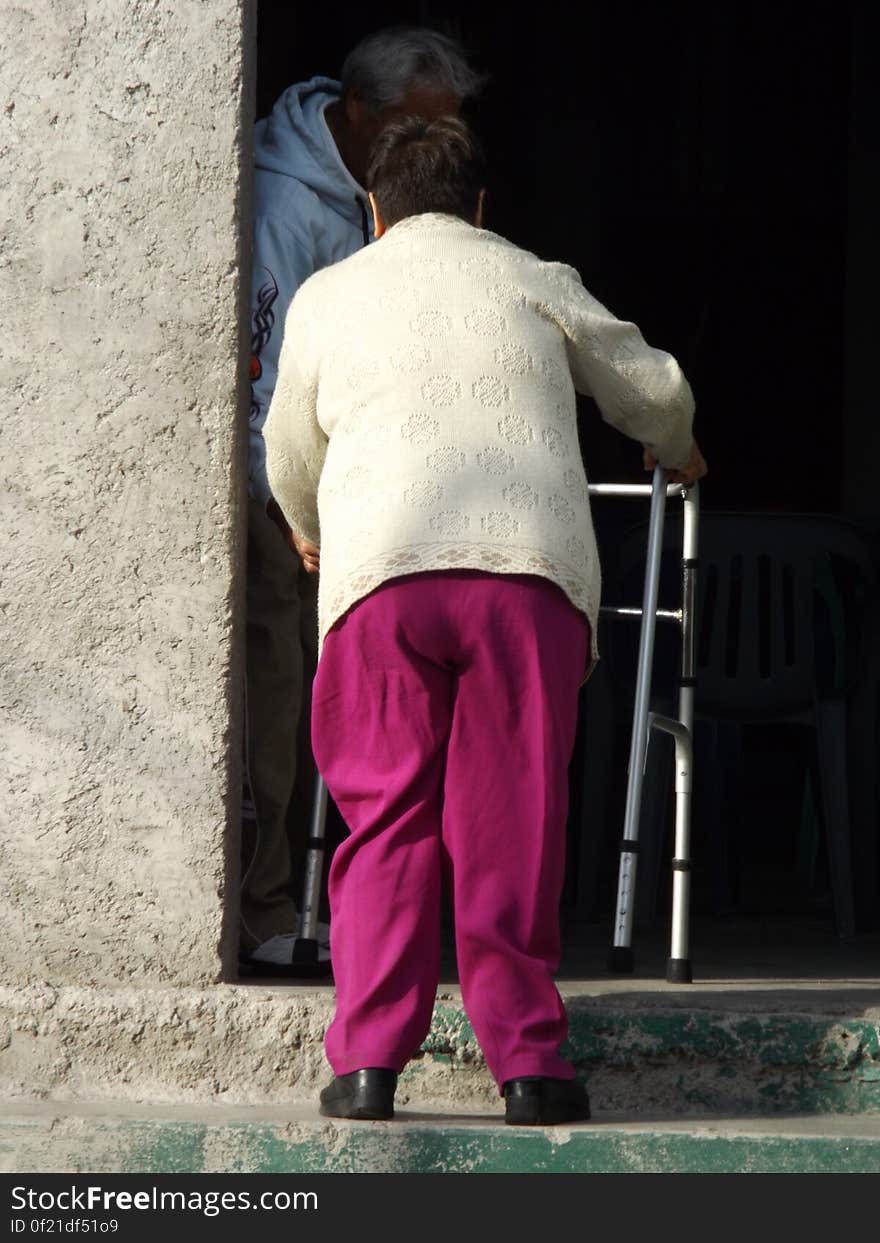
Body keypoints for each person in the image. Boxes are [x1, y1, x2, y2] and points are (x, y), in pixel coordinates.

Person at [263, 116, 707, 1122]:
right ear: (479, 205)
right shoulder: (532, 275)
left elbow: (290, 445)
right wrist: (677, 447)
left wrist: (308, 532)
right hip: (524, 577)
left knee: (384, 818)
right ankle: (529, 1067)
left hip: (382, 577)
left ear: (373, 210)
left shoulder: (331, 294)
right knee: (509, 818)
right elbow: (651, 385)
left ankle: (370, 1063)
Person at [241, 29, 486, 975]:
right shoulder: (285, 207)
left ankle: (331, 909)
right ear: (361, 116)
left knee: (345, 712)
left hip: (366, 507)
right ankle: (266, 912)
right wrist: (286, 508)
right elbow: (262, 375)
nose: (440, 154)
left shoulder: (383, 199)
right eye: (421, 130)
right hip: (287, 503)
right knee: (277, 701)